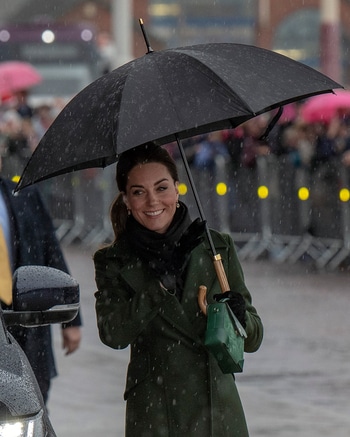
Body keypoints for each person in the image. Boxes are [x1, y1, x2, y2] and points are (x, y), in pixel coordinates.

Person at [94, 142, 263, 436]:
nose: (152, 201)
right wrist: (159, 286)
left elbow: (253, 338)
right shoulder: (113, 261)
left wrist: (240, 317)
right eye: (138, 192)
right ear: (126, 200)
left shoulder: (216, 247)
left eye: (161, 188)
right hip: (157, 415)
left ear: (177, 188)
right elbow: (113, 333)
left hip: (218, 413)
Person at [0, 154, 82, 404]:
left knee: (30, 416)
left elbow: (51, 252)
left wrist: (72, 319)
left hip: (26, 326)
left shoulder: (23, 194)